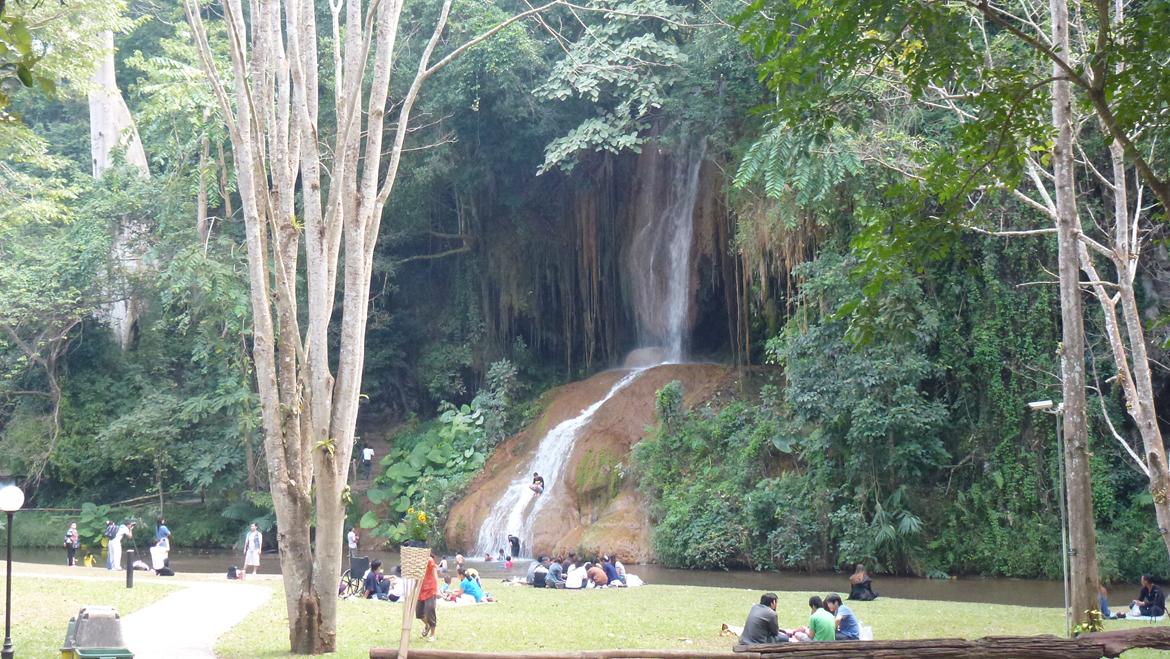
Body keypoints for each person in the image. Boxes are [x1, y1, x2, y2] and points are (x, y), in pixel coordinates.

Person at [416, 553, 439, 641]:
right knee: (419, 613)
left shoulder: (429, 560)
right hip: (421, 590)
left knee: (430, 610)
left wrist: (436, 589)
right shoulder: (415, 562)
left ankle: (433, 634)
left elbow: (435, 574)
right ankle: (427, 625)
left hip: (430, 589)